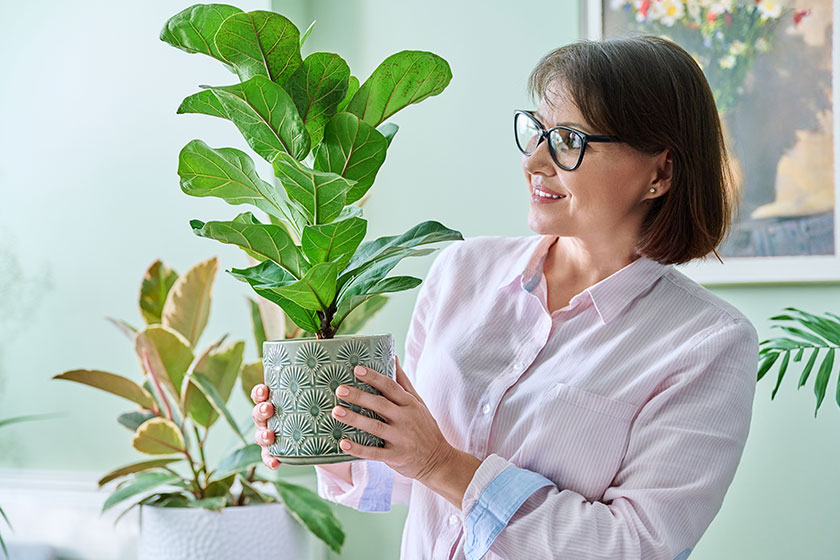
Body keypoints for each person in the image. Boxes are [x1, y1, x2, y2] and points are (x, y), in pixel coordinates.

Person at [251, 35, 759, 560]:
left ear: (660, 173)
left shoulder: (708, 344)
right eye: (537, 130)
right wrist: (326, 433)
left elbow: (633, 546)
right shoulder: (461, 270)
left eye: (569, 140)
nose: (534, 161)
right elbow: (409, 479)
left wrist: (440, 463)